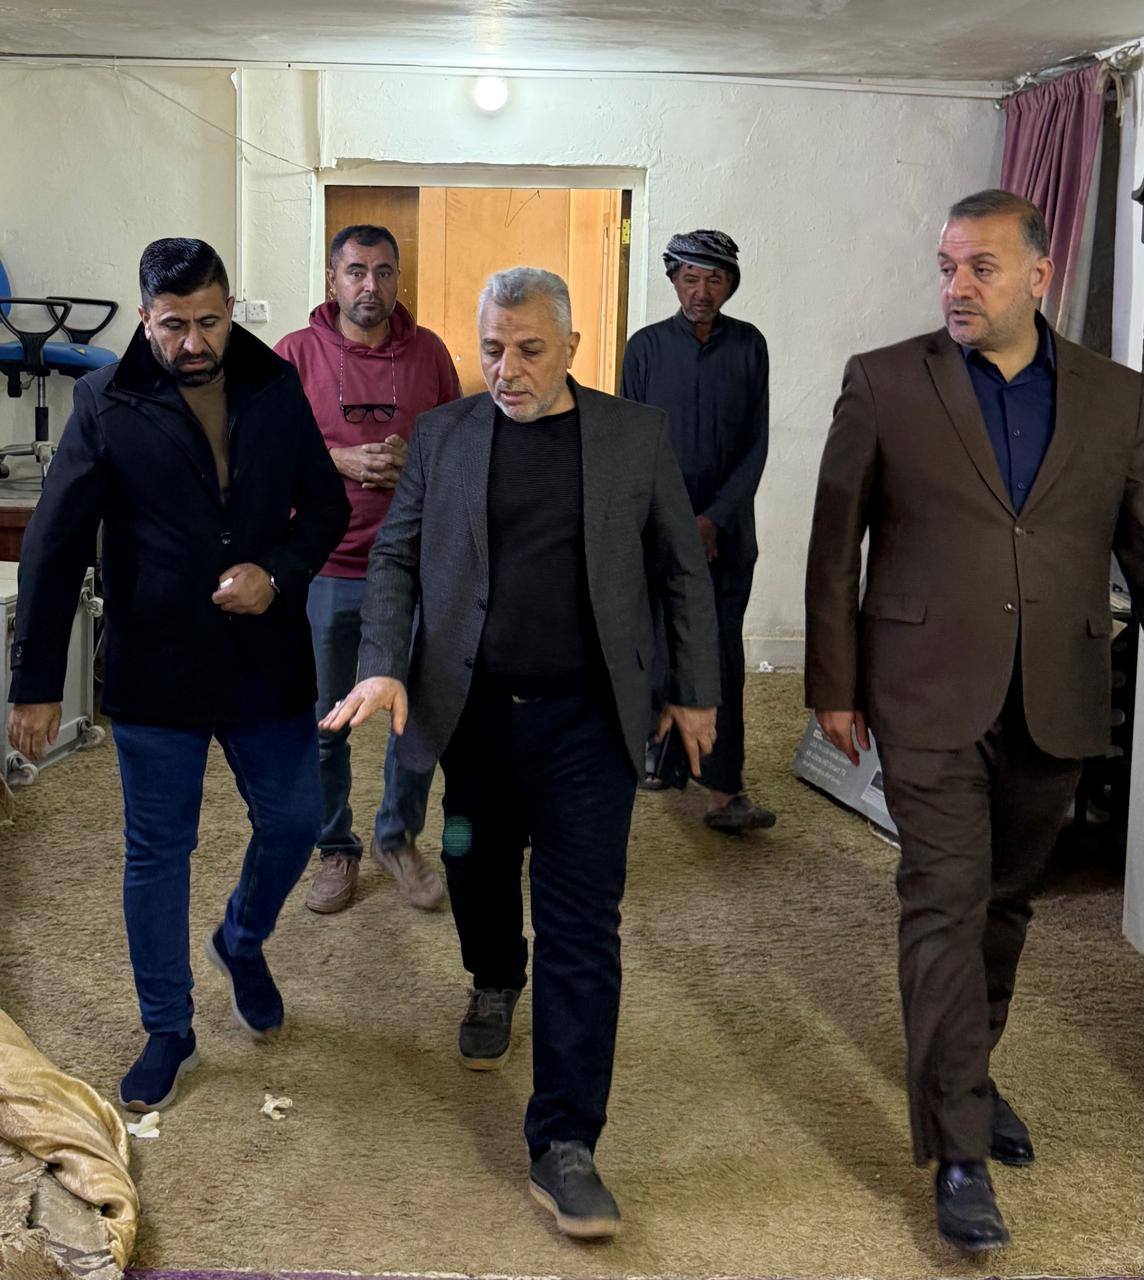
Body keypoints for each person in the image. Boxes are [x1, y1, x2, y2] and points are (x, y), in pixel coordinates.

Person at [324, 267, 720, 1238]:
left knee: (584, 923)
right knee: (473, 864)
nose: (507, 369)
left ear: (572, 348)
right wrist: (382, 665)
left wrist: (695, 689)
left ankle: (566, 1141)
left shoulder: (633, 436)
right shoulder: (445, 435)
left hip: (589, 720)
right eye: (493, 348)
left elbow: (680, 567)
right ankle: (496, 975)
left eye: (530, 349)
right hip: (475, 717)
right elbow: (396, 555)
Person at [804, 189, 1144, 1252]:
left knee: (1005, 902)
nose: (956, 286)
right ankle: (957, 1151)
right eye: (947, 266)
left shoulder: (1117, 397)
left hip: (1056, 688)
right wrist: (832, 685)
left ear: (1040, 276)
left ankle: (969, 1071)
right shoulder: (883, 381)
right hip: (922, 687)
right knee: (945, 901)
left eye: (980, 267)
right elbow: (834, 543)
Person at [7, 238, 350, 1112]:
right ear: (143, 316)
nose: (193, 343)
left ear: (230, 307)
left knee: (296, 821)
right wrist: (36, 683)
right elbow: (53, 545)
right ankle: (168, 1027)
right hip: (156, 667)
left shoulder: (276, 383)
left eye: (208, 321)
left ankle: (241, 938)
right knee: (159, 851)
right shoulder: (104, 401)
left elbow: (327, 506)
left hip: (264, 657)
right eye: (172, 326)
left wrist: (277, 572)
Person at [276, 224, 461, 914]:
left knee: (415, 718)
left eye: (384, 272)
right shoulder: (293, 354)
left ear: (397, 279)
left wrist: (417, 463)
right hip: (325, 566)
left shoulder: (430, 353)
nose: (370, 286)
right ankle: (335, 846)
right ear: (332, 279)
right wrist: (339, 460)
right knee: (326, 721)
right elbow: (262, 456)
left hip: (414, 570)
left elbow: (460, 450)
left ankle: (396, 837)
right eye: (355, 271)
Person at [622, 229, 775, 833]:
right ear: (674, 280)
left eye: (714, 279)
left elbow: (756, 445)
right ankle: (659, 755)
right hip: (659, 532)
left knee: (721, 655)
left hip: (728, 535)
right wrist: (677, 527)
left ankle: (723, 790)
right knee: (659, 647)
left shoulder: (750, 346)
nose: (701, 291)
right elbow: (634, 445)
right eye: (690, 278)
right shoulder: (645, 349)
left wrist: (714, 520)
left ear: (730, 284)